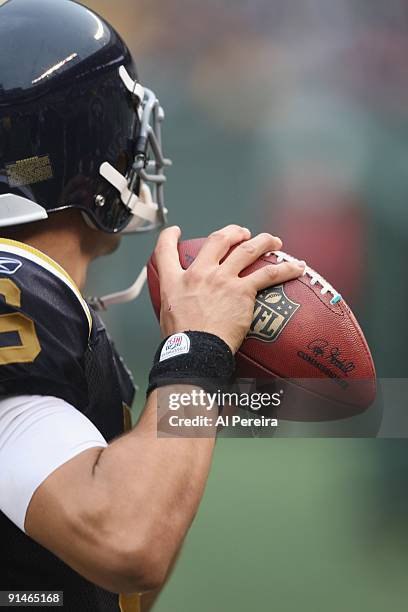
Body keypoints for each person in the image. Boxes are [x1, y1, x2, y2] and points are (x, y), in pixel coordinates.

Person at [0, 1, 305, 610]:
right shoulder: (14, 291)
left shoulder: (51, 297)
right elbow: (127, 542)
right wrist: (197, 352)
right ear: (91, 147)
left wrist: (196, 384)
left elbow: (124, 580)